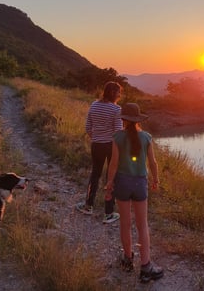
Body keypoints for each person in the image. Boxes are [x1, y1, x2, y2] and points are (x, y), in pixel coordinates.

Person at [105, 103, 164, 283]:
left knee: (125, 223)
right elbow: (152, 163)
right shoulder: (146, 137)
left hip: (122, 182)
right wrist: (156, 179)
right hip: (140, 183)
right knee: (142, 225)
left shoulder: (117, 137)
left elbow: (113, 164)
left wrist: (109, 185)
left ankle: (128, 259)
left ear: (123, 119)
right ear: (138, 119)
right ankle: (146, 266)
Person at [76, 81, 122, 224]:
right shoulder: (116, 109)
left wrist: (96, 138)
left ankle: (88, 206)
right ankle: (108, 213)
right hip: (111, 146)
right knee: (111, 176)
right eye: (119, 92)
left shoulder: (94, 105)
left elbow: (88, 127)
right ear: (115, 93)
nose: (120, 95)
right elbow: (118, 132)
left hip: (96, 145)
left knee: (95, 174)